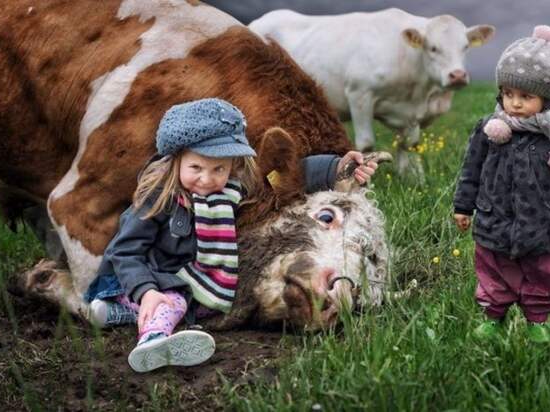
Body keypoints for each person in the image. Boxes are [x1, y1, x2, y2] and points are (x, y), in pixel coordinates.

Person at [84, 98, 378, 372]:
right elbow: (125, 253)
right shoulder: (157, 199)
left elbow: (290, 172)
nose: (207, 179)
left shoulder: (229, 191)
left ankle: (116, 314)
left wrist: (336, 167)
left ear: (233, 167)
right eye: (196, 167)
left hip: (183, 276)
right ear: (175, 161)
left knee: (197, 304)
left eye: (218, 169)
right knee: (174, 303)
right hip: (145, 277)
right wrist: (147, 292)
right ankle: (153, 342)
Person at [453, 26, 550, 343]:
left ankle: (537, 319)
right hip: (494, 220)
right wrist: (463, 206)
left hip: (543, 224)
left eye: (526, 96)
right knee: (492, 268)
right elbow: (471, 169)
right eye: (508, 94)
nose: (514, 103)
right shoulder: (490, 129)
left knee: (542, 271)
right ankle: (493, 316)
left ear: (548, 98)